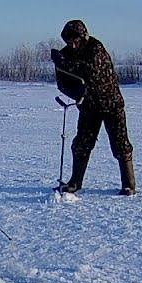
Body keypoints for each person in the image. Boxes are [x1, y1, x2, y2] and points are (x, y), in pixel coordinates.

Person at [50, 19, 135, 195]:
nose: (72, 45)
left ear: (84, 37)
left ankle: (129, 185)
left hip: (111, 104)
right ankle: (75, 183)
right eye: (69, 42)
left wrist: (62, 63)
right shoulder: (66, 54)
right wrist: (76, 94)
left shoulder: (96, 49)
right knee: (81, 144)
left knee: (120, 144)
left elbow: (89, 70)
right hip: (89, 107)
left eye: (76, 41)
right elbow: (63, 82)